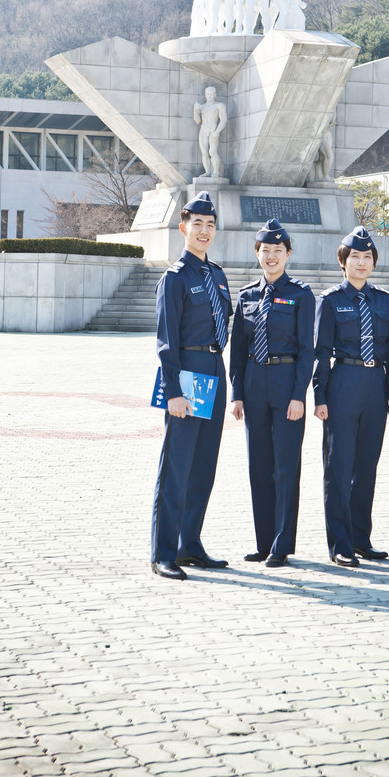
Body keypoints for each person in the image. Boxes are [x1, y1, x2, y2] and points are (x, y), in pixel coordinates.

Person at [151, 191, 233, 580]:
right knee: (177, 467)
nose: (204, 231)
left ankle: (190, 544)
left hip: (215, 367)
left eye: (210, 225)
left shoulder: (217, 275)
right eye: (197, 224)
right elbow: (166, 340)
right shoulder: (174, 278)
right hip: (188, 373)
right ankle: (163, 552)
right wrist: (174, 392)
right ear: (183, 228)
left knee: (203, 466)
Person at [313, 226, 389, 567]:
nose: (361, 262)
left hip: (375, 385)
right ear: (343, 261)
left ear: (373, 262)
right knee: (339, 466)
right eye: (355, 257)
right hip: (343, 383)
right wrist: (320, 396)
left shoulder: (383, 300)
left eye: (367, 257)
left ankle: (361, 538)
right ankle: (340, 543)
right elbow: (321, 352)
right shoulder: (331, 300)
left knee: (366, 467)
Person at [229, 219, 315, 567]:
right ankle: (263, 542)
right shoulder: (247, 295)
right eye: (266, 250)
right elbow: (238, 349)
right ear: (257, 253)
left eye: (278, 250)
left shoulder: (301, 294)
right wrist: (236, 394)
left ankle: (282, 543)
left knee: (285, 466)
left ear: (288, 254)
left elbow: (307, 350)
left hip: (286, 383)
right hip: (254, 384)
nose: (271, 256)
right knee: (259, 466)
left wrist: (299, 396)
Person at [193, 87, 227, 179]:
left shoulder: (219, 105)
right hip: (203, 130)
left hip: (213, 129)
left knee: (212, 152)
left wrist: (217, 132)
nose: (210, 96)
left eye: (212, 94)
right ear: (205, 95)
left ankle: (216, 172)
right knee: (204, 153)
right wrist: (195, 111)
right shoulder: (202, 107)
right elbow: (197, 121)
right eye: (208, 94)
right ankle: (207, 171)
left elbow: (224, 120)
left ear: (215, 95)